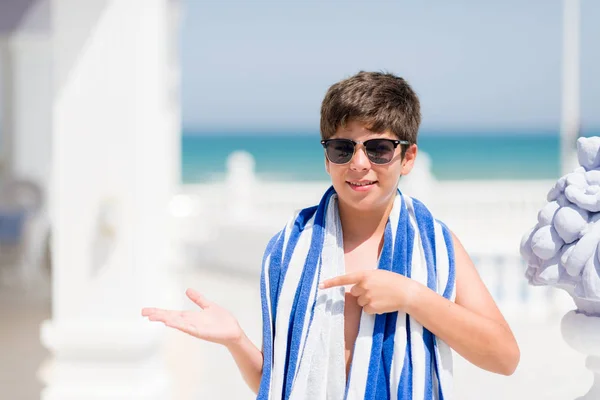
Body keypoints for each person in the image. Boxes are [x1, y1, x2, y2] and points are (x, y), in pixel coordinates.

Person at [142, 71, 520, 399]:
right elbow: (277, 385)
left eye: (379, 148)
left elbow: (504, 357)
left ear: (407, 158)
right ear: (327, 158)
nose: (358, 164)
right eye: (343, 148)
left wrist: (411, 296)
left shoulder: (436, 245)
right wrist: (236, 340)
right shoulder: (288, 250)